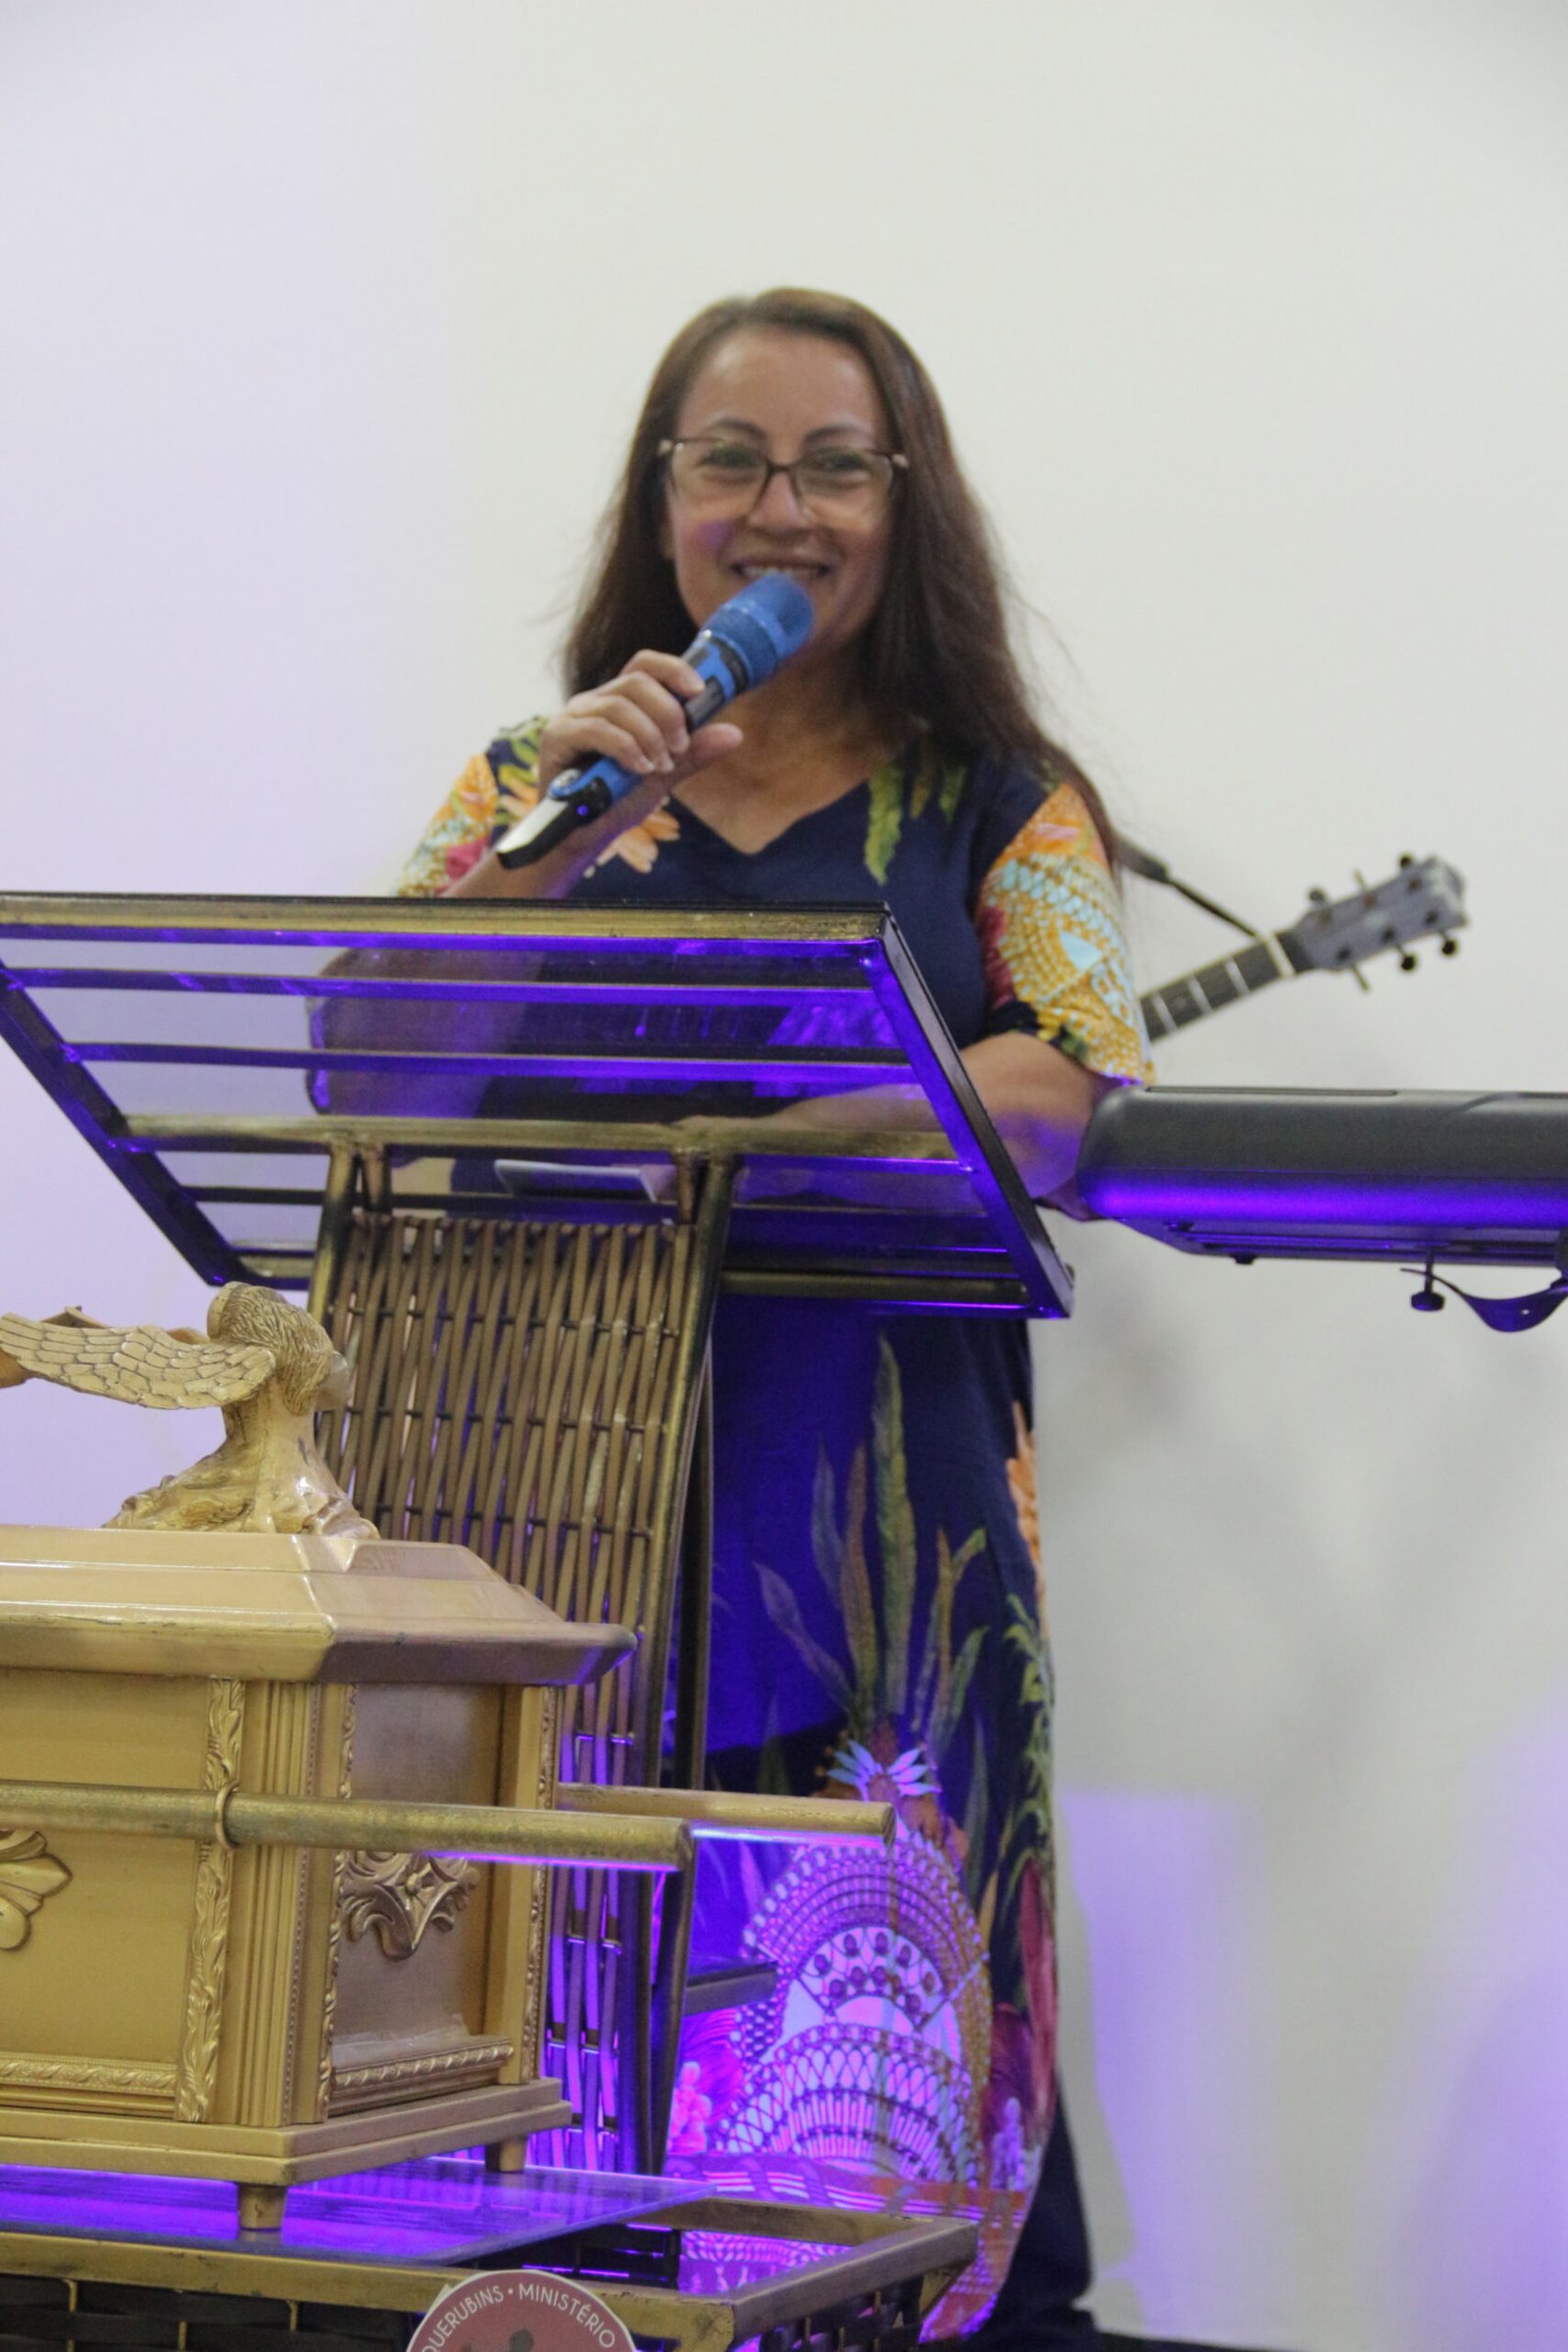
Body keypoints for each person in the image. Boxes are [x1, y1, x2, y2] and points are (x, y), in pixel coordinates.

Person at [395, 289, 1152, 2347]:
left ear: (905, 508)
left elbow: (1071, 1084)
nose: (779, 507)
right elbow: (371, 1052)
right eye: (729, 460)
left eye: (834, 466)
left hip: (874, 1496)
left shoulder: (996, 800)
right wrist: (547, 852)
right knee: (555, 1989)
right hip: (549, 1491)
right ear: (663, 504)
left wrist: (763, 1138)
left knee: (870, 1999)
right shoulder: (533, 783)